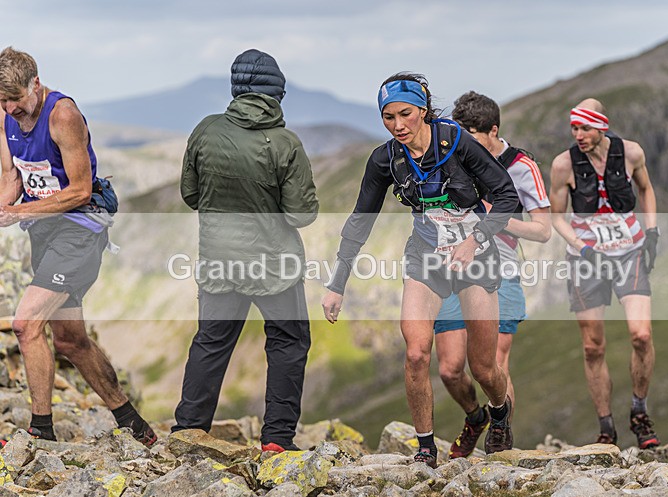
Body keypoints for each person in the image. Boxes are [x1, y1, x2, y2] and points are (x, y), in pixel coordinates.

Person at [322, 73, 519, 467]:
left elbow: (508, 197)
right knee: (415, 353)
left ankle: (499, 413)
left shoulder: (457, 142)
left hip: (475, 256)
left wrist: (475, 240)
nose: (398, 125)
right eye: (388, 117)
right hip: (426, 256)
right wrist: (337, 284)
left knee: (483, 368)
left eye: (406, 114)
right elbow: (361, 221)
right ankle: (425, 450)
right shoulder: (385, 159)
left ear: (423, 110)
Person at [0, 47, 156, 445]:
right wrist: (5, 206)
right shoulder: (5, 117)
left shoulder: (62, 115)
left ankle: (41, 432)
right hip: (45, 231)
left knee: (25, 323)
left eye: (15, 98)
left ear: (35, 84)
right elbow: (14, 176)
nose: (10, 108)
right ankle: (133, 422)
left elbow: (80, 191)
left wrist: (21, 213)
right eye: (2, 101)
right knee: (70, 339)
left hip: (80, 230)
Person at [172, 49, 318, 453]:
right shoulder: (286, 143)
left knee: (211, 341)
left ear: (236, 88)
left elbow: (191, 194)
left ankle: (188, 431)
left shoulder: (206, 130)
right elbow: (301, 215)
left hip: (219, 263)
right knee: (288, 342)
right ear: (277, 93)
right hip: (275, 266)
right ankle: (276, 440)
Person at [433, 91, 551, 458]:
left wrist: (494, 217)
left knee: (494, 364)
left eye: (472, 136)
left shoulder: (521, 166)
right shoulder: (455, 157)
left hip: (502, 270)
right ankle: (475, 417)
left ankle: (501, 449)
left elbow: (543, 230)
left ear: (493, 130)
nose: (465, 145)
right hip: (454, 269)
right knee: (451, 369)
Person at [549, 98, 661, 448]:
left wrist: (652, 231)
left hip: (629, 251)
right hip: (586, 259)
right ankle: (606, 429)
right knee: (592, 347)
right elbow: (556, 216)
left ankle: (639, 414)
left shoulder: (630, 154)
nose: (579, 134)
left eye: (585, 128)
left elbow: (645, 188)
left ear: (602, 126)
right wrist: (582, 248)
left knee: (641, 335)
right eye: (574, 128)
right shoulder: (563, 165)